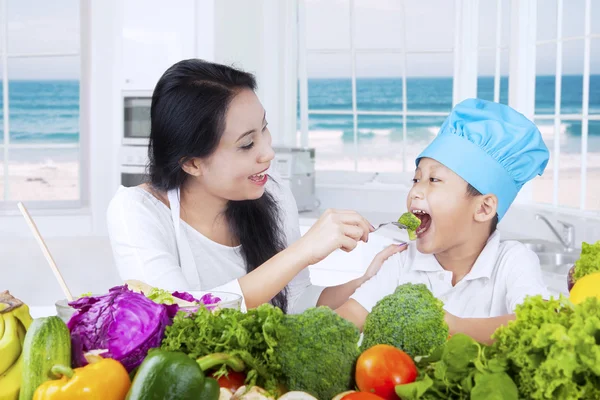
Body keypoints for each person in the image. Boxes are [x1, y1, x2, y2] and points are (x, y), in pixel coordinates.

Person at [107, 59, 392, 314]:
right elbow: (180, 316)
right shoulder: (135, 212)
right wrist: (301, 251)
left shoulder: (274, 192)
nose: (268, 153)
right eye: (246, 144)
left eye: (264, 128)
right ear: (192, 163)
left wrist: (366, 283)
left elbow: (292, 302)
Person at [336, 98, 551, 344]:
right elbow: (352, 312)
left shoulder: (512, 261)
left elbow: (539, 322)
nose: (415, 191)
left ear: (483, 208)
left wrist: (449, 324)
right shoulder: (401, 263)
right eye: (416, 180)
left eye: (434, 180)